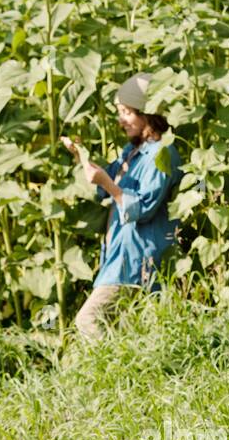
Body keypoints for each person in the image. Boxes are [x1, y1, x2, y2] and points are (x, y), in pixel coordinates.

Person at [61, 73, 182, 342]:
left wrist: (107, 181)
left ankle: (111, 370)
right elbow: (106, 186)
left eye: (127, 112)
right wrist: (82, 158)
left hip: (138, 258)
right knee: (125, 331)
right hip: (119, 255)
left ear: (147, 114)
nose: (121, 120)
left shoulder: (163, 153)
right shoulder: (132, 150)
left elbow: (143, 208)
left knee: (88, 320)